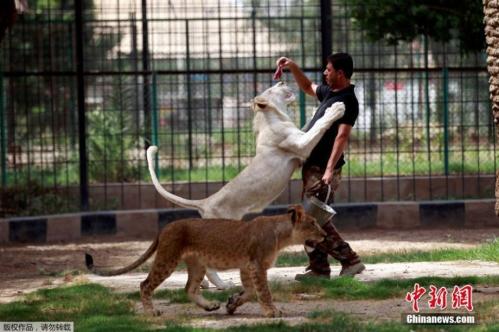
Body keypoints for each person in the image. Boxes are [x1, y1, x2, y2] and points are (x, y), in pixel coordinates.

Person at [276, 53, 365, 279]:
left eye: (328, 70)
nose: (325, 73)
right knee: (309, 219)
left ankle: (349, 259)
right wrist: (292, 66)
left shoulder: (347, 100)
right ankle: (319, 269)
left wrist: (328, 170)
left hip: (325, 171)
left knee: (312, 220)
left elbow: (341, 137)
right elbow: (307, 86)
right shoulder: (329, 93)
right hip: (312, 167)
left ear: (340, 73)